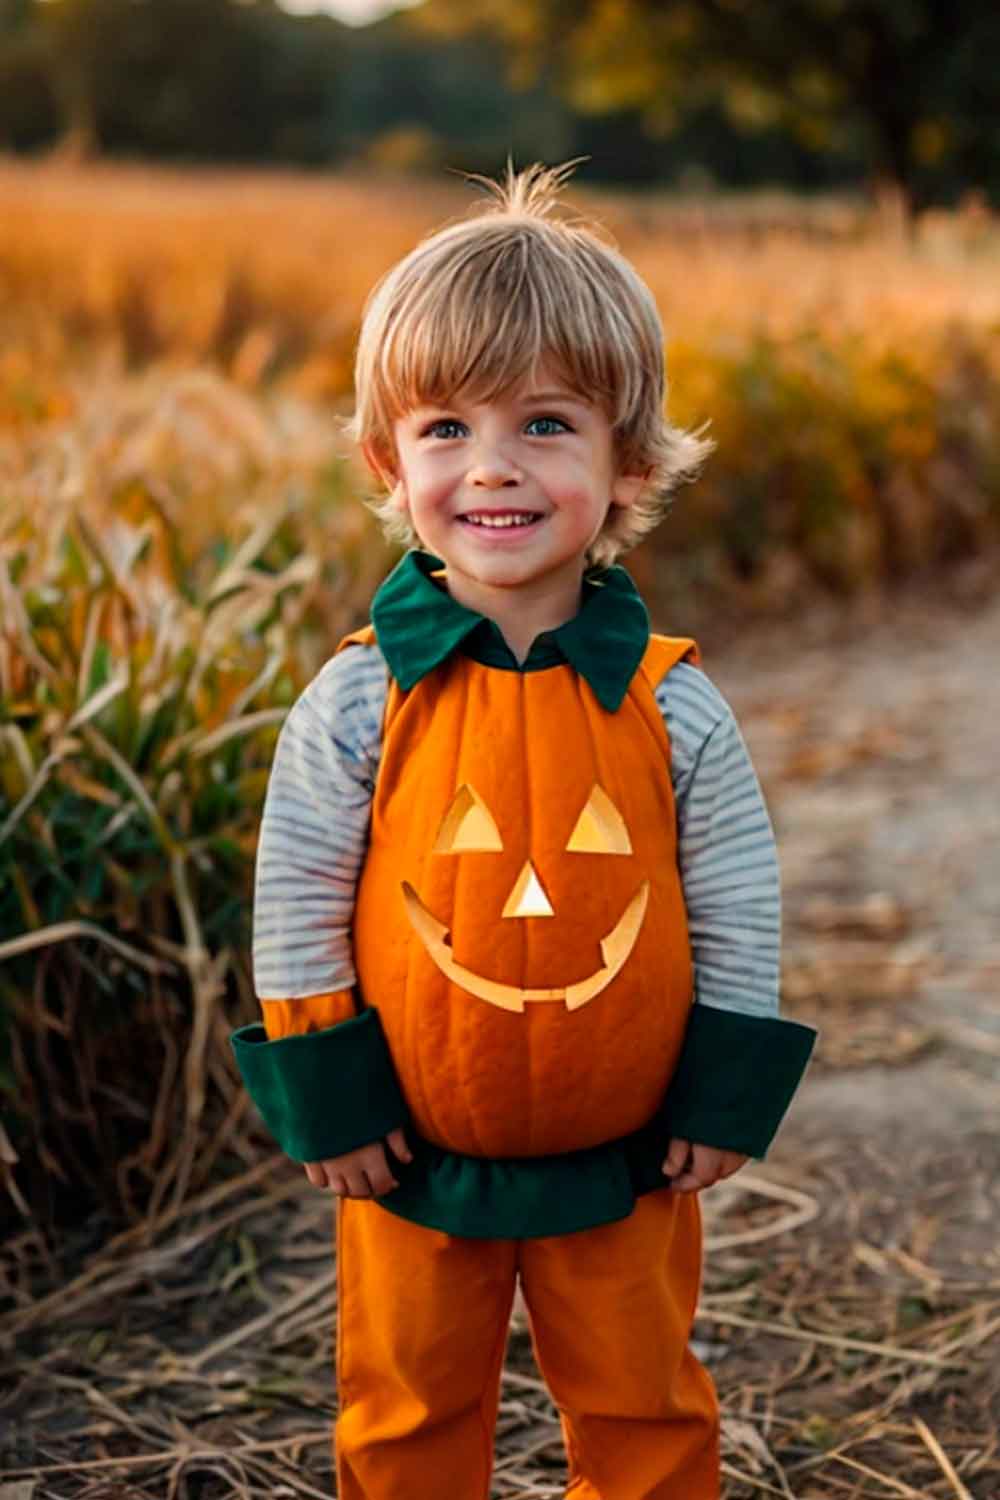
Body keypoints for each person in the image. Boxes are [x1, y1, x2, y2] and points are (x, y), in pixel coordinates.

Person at [231, 162, 816, 1500]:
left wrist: (724, 1087)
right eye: (445, 428)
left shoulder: (673, 702)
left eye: (546, 423)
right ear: (391, 463)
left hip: (627, 1142)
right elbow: (300, 895)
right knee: (407, 1409)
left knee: (646, 1400)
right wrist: (330, 1092)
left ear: (630, 464)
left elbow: (732, 893)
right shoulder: (361, 692)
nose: (492, 466)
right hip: (412, 1139)